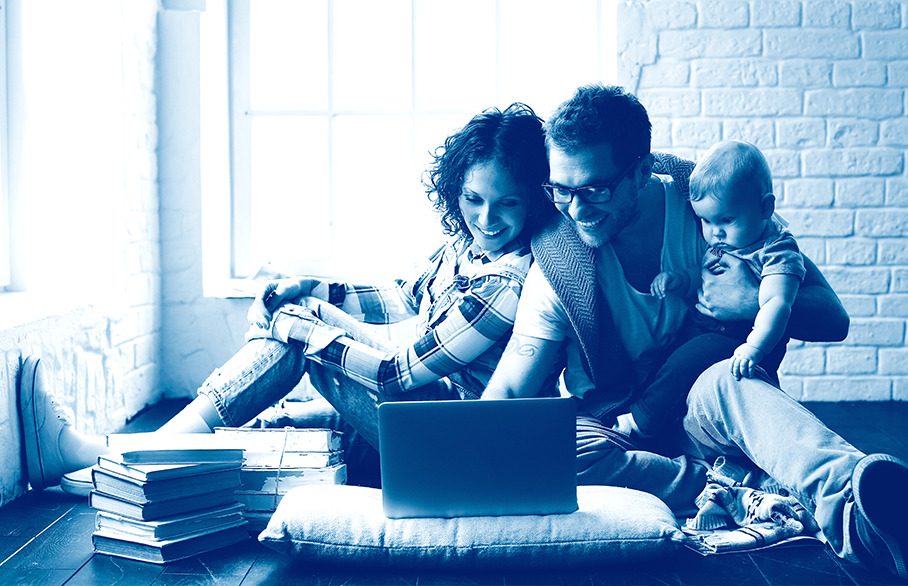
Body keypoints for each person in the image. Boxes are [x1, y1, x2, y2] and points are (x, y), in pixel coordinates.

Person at [482, 84, 908, 580]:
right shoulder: (560, 263)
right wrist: (470, 445)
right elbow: (515, 381)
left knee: (732, 377)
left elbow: (833, 319)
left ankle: (856, 504)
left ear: (641, 171)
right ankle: (733, 486)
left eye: (595, 189)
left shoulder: (713, 205)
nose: (576, 209)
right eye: (561, 190)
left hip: (704, 410)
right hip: (615, 429)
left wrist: (749, 297)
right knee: (549, 451)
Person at [19, 102, 556, 492]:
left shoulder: (507, 280)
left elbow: (396, 375)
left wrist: (298, 327)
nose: (487, 219)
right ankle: (111, 468)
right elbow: (402, 296)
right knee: (280, 416)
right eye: (473, 200)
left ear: (534, 198)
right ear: (455, 191)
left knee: (300, 339)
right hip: (418, 424)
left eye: (506, 203)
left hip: (446, 447)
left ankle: (114, 459)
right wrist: (311, 291)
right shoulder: (466, 247)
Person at [614, 139, 806, 439]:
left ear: (766, 207)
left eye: (727, 220)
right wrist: (682, 280)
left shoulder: (775, 249)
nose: (715, 232)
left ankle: (640, 424)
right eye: (705, 220)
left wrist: (754, 347)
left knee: (681, 366)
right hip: (702, 325)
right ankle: (660, 422)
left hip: (739, 335)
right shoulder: (728, 239)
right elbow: (707, 274)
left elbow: (777, 303)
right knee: (666, 361)